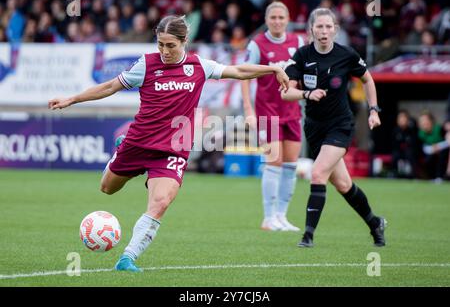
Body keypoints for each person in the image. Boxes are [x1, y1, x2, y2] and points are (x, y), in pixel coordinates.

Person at [48, 15, 290, 272]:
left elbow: (239, 71)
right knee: (107, 189)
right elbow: (110, 86)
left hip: (173, 149)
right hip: (138, 142)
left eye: (170, 45)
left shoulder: (199, 66)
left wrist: (273, 69)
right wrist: (72, 99)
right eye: (160, 44)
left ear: (184, 41)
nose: (164, 51)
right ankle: (121, 148)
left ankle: (127, 258)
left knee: (161, 202)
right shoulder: (146, 64)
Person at [282, 8, 387, 247]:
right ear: (311, 30)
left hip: (340, 125)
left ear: (336, 30)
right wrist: (307, 93)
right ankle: (375, 223)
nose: (324, 31)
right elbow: (287, 92)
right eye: (319, 26)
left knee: (317, 173)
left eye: (329, 27)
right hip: (314, 128)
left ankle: (308, 236)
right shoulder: (301, 55)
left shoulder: (346, 55)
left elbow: (368, 79)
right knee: (343, 185)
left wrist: (374, 110)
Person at [241, 1, 305, 232]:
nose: (277, 21)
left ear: (287, 19)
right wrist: (249, 109)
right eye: (273, 18)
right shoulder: (257, 44)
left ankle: (282, 216)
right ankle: (268, 218)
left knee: (290, 165)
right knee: (273, 161)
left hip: (292, 111)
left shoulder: (297, 42)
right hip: (267, 112)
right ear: (267, 20)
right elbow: (245, 76)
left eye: (281, 17)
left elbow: (301, 71)